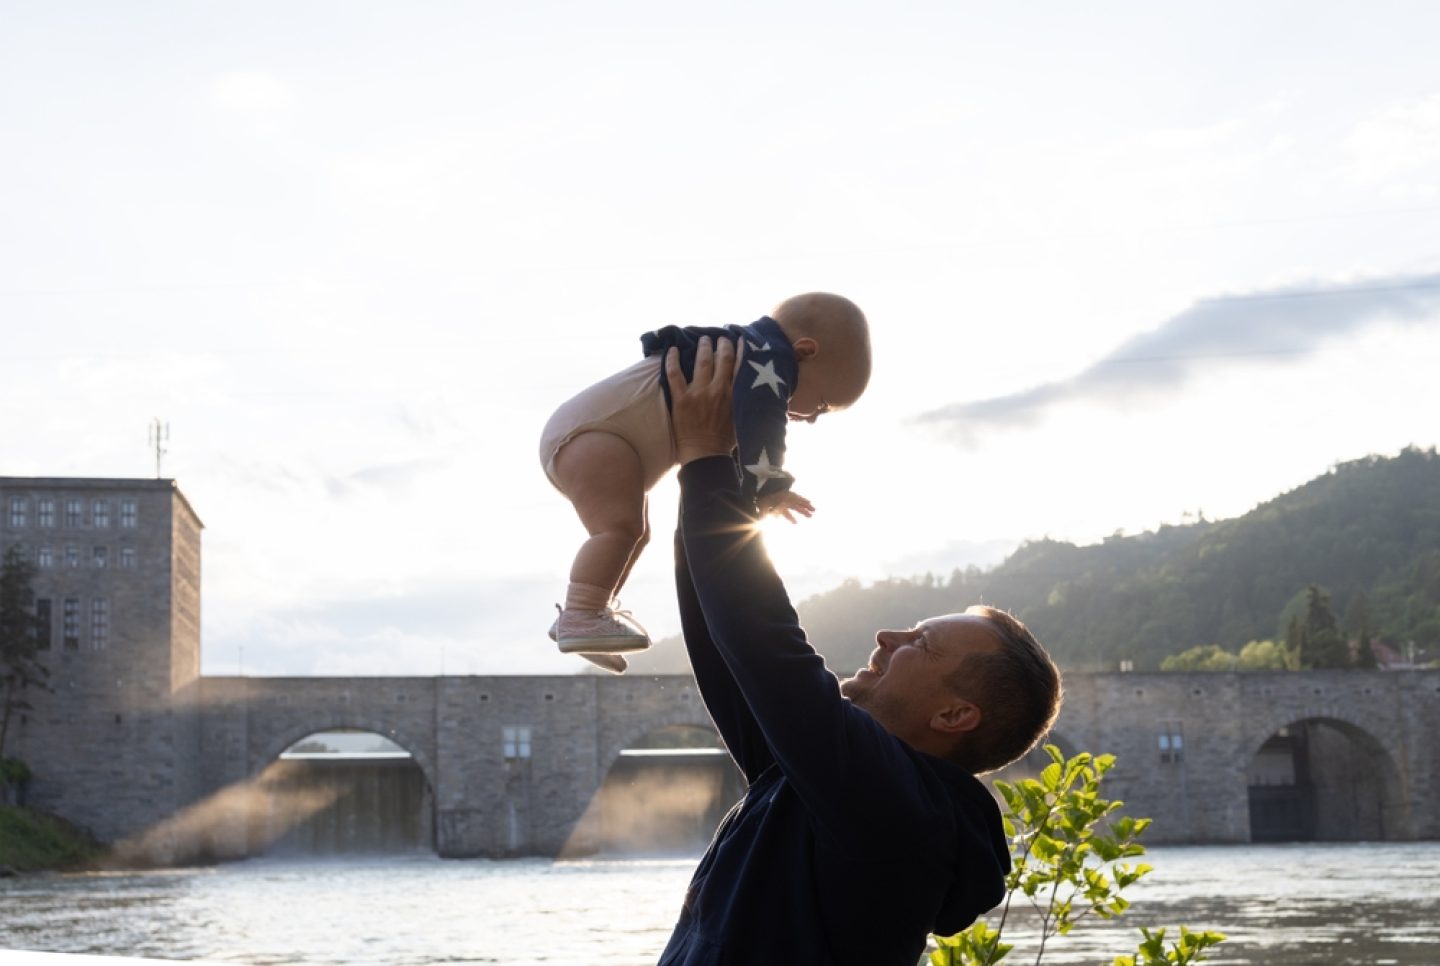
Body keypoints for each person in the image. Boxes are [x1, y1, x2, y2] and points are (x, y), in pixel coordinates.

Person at [657, 336, 1063, 965]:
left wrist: (708, 461)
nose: (887, 638)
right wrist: (721, 463)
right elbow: (728, 646)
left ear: (955, 716)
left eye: (921, 644)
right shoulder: (823, 787)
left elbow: (769, 649)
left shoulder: (900, 810)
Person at [539, 292, 871, 673]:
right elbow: (761, 426)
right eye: (823, 404)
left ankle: (590, 615)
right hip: (595, 437)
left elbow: (731, 441)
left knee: (634, 532)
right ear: (805, 352)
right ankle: (580, 613)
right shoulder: (767, 358)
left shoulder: (739, 357)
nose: (812, 418)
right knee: (618, 529)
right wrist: (771, 485)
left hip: (592, 438)